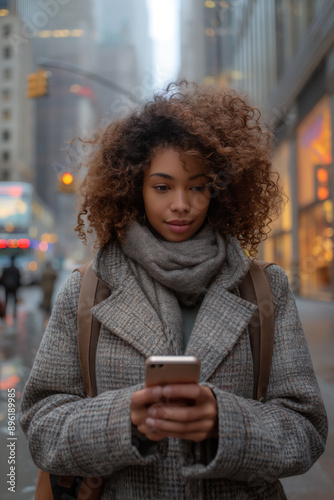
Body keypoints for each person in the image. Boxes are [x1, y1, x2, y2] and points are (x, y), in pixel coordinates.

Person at [19, 81, 327, 499]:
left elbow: (306, 430)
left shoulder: (265, 287)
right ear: (135, 188)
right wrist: (122, 418)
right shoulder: (87, 289)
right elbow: (40, 425)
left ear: (217, 191)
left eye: (196, 186)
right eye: (163, 187)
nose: (181, 203)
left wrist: (224, 422)